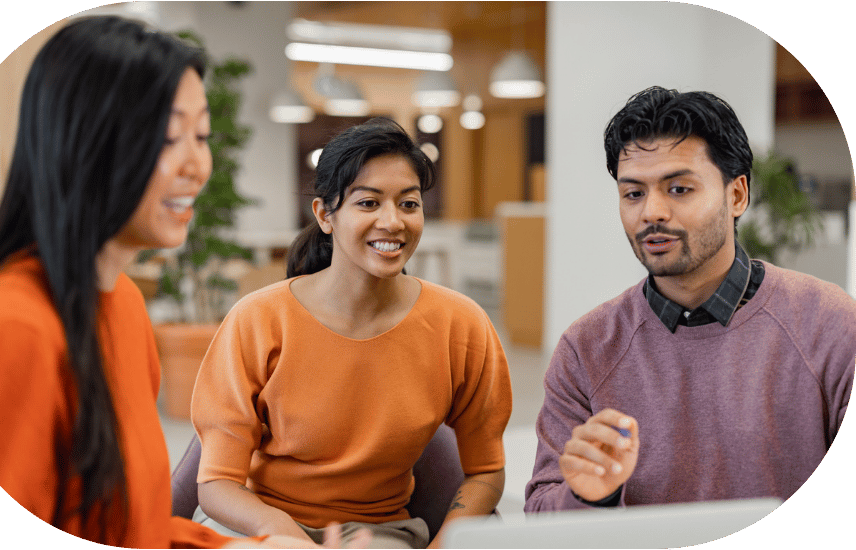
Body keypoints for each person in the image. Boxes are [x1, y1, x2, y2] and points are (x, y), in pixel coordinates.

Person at [0, 15, 370, 550]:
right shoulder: (9, 329)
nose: (198, 165)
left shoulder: (120, 303)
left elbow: (128, 526)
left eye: (201, 136)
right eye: (169, 137)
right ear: (87, 145)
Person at [524, 86, 855, 512]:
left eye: (679, 189)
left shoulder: (828, 324)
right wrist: (591, 494)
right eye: (633, 193)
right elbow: (542, 512)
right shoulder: (586, 349)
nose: (652, 212)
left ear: (737, 196)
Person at [190, 117, 513, 549]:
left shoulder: (461, 323)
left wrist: (443, 546)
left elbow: (486, 471)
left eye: (409, 204)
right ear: (325, 215)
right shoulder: (259, 319)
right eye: (368, 203)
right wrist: (289, 539)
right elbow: (217, 485)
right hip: (261, 524)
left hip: (377, 534)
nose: (392, 222)